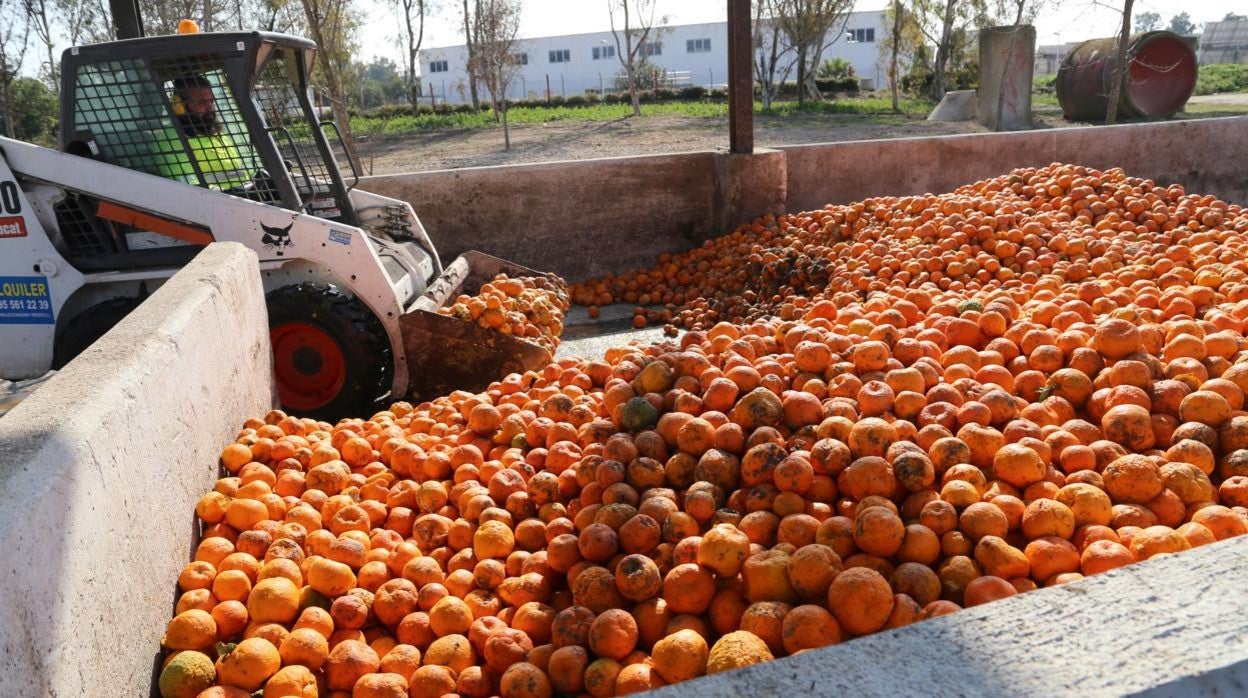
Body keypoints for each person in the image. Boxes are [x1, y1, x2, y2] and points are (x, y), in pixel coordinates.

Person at [153, 74, 255, 192]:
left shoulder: (212, 131)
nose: (210, 107)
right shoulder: (173, 140)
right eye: (201, 103)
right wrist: (231, 194)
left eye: (211, 101)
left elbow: (239, 173)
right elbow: (189, 187)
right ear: (180, 106)